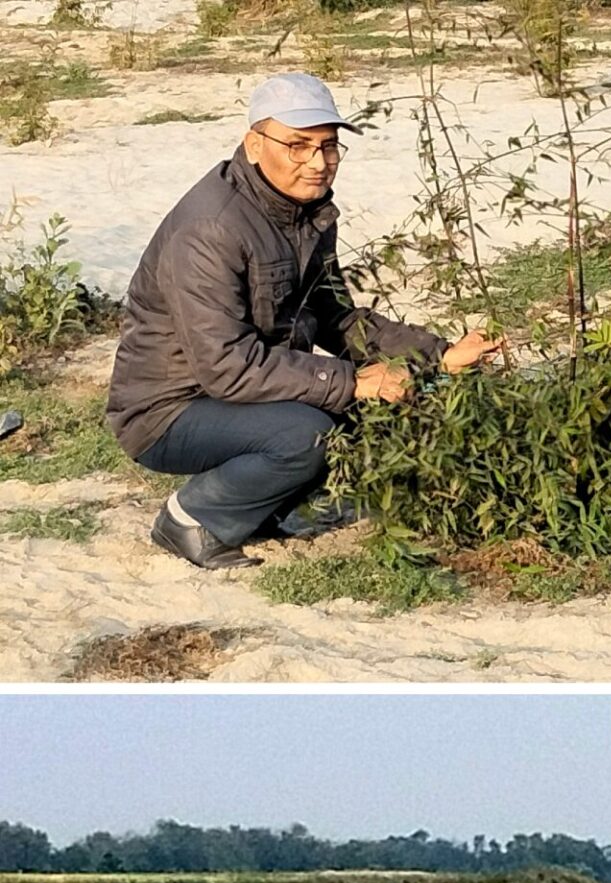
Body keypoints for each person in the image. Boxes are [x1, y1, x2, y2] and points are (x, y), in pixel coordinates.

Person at [106, 72, 502, 569]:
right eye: (297, 146)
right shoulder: (210, 230)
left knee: (388, 402)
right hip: (169, 410)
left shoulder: (303, 212)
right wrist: (353, 381)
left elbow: (337, 316)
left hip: (235, 395)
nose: (317, 163)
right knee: (309, 432)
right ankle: (191, 519)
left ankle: (258, 510)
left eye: (328, 146)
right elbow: (226, 365)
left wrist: (439, 354)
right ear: (255, 145)